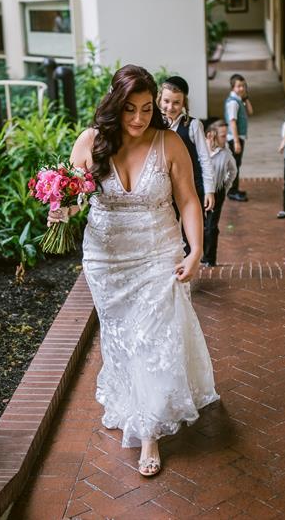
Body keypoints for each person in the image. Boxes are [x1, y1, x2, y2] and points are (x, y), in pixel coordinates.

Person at [48, 65, 219, 477]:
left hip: (158, 254)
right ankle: (134, 402)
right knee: (122, 339)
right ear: (115, 105)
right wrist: (59, 207)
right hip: (106, 261)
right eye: (130, 109)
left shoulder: (169, 143)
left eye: (146, 109)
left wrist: (195, 250)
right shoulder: (91, 141)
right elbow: (74, 199)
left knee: (149, 340)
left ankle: (148, 434)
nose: (139, 119)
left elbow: (190, 201)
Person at [158, 76, 215, 254]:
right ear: (159, 98)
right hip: (166, 185)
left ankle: (191, 261)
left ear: (184, 103)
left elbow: (205, 158)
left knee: (193, 227)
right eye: (166, 101)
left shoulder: (192, 125)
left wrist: (209, 190)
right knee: (169, 224)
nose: (170, 107)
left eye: (176, 102)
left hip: (192, 183)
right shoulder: (155, 126)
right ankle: (173, 259)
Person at [202, 120, 237, 266]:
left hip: (217, 192)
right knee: (199, 225)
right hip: (199, 192)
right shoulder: (200, 149)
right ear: (211, 135)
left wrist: (225, 187)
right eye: (223, 135)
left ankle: (210, 258)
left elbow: (233, 171)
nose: (226, 138)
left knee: (211, 226)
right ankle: (202, 253)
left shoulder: (226, 153)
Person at [224, 73, 253, 202]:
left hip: (238, 137)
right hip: (233, 138)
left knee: (237, 164)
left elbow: (251, 112)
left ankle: (234, 188)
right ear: (232, 88)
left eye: (243, 86)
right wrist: (236, 141)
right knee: (234, 165)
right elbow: (232, 122)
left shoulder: (239, 100)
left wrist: (246, 98)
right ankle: (231, 191)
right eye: (238, 86)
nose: (241, 88)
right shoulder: (233, 103)